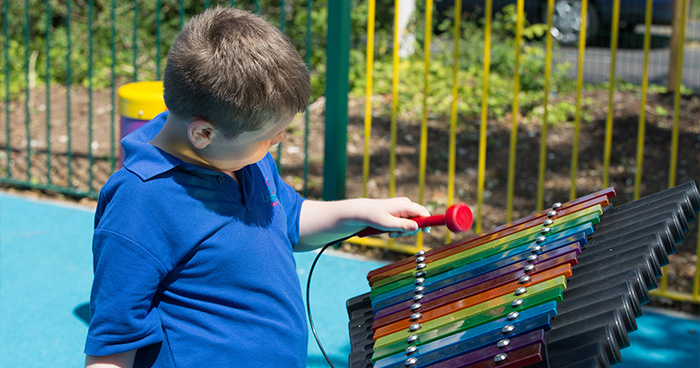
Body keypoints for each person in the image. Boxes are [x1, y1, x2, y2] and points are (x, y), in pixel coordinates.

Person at [84, 7, 429, 368]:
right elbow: (113, 345)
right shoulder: (141, 202)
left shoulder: (241, 157)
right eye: (269, 137)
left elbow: (289, 219)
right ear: (204, 134)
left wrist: (359, 211)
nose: (279, 141)